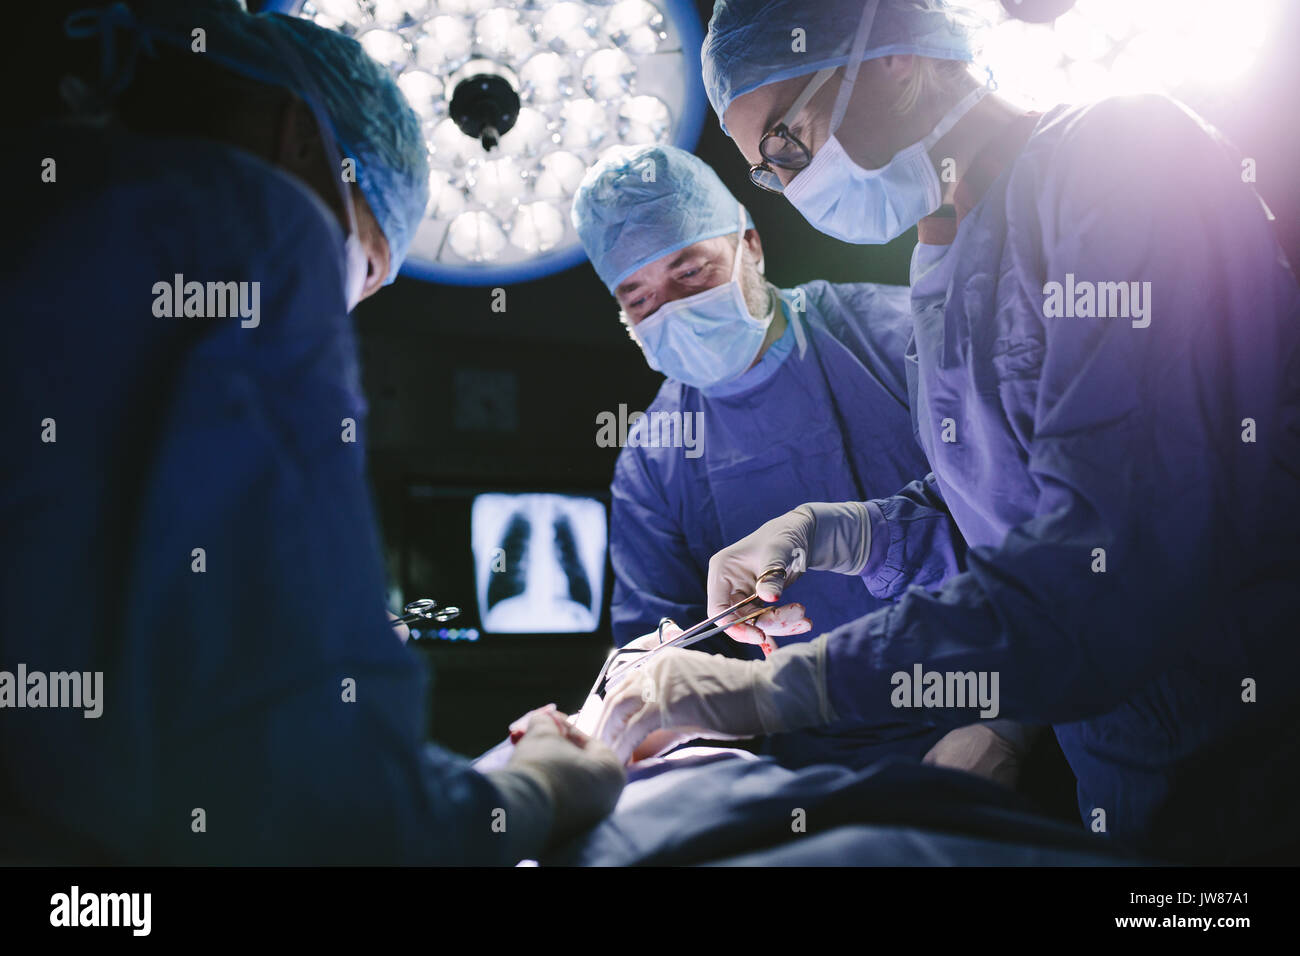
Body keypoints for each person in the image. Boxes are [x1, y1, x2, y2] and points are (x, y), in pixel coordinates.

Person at [597, 0, 1300, 864]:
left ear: (889, 57)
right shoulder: (945, 256)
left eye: (787, 142)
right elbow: (1002, 515)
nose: (791, 181)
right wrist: (840, 535)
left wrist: (779, 690)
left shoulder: (1124, 165)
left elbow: (1109, 557)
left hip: (1256, 760)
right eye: (769, 171)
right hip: (1129, 784)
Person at [1, 0, 622, 864]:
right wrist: (540, 788)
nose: (337, 313)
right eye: (360, 269)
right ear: (301, 140)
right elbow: (331, 815)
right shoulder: (253, 221)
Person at [572, 143, 1031, 777]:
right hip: (799, 764)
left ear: (750, 245)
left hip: (991, 695)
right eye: (640, 298)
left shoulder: (896, 336)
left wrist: (1008, 727)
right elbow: (654, 656)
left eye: (690, 271)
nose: (673, 308)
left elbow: (1032, 532)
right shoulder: (655, 458)